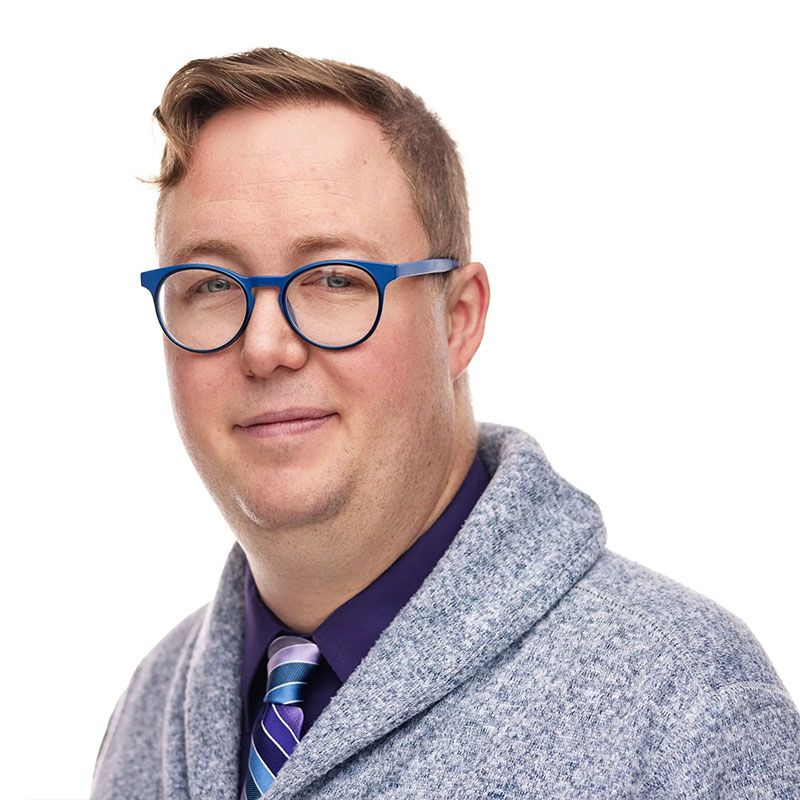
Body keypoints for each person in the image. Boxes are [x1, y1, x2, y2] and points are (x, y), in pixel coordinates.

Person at [90, 47, 800, 800]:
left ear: (458, 319)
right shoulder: (147, 713)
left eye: (336, 278)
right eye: (210, 284)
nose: (265, 347)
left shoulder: (686, 709)